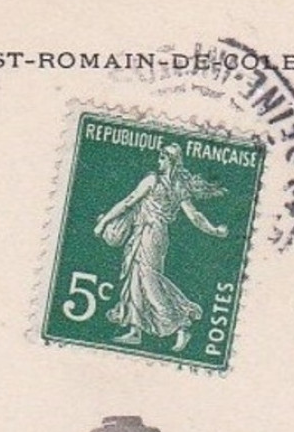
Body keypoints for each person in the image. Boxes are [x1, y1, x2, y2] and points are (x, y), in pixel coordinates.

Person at [93, 143, 229, 352]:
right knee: (135, 277)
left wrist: (103, 222)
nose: (159, 162)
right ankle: (135, 330)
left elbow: (127, 202)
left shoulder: (152, 181)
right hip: (154, 234)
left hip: (149, 234)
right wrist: (214, 230)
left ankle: (181, 325)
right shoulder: (178, 188)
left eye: (162, 158)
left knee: (148, 281)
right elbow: (195, 216)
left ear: (170, 161)